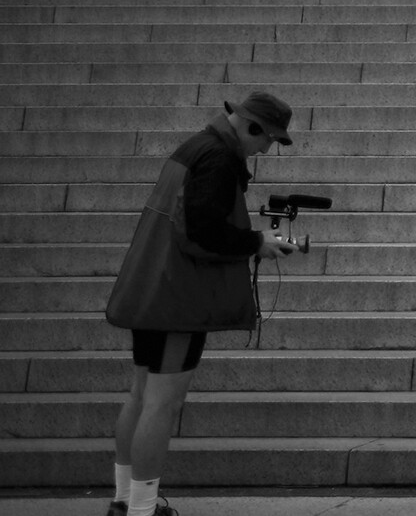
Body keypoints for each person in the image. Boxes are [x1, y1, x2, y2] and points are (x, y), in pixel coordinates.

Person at [103, 93, 302, 516]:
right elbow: (202, 232)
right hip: (179, 299)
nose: (267, 149)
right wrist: (257, 242)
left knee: (140, 395)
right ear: (250, 126)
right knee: (161, 402)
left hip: (156, 288)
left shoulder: (195, 145)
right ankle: (141, 510)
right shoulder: (217, 157)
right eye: (267, 139)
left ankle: (124, 500)